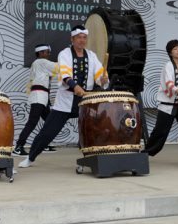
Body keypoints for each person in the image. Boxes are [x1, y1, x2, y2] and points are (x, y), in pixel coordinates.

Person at [18, 25, 108, 168]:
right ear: (72, 39)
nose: (82, 40)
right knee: (49, 131)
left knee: (92, 129)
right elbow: (65, 73)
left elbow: (99, 73)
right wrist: (74, 86)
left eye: (84, 37)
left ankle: (93, 158)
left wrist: (102, 80)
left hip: (86, 99)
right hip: (66, 99)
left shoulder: (91, 55)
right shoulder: (64, 54)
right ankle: (30, 157)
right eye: (79, 37)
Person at [12, 44, 58, 156]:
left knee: (49, 121)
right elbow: (58, 67)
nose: (49, 54)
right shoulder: (40, 62)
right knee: (32, 123)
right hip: (39, 96)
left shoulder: (39, 64)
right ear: (41, 53)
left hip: (42, 97)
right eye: (47, 52)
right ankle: (18, 147)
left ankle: (43, 144)